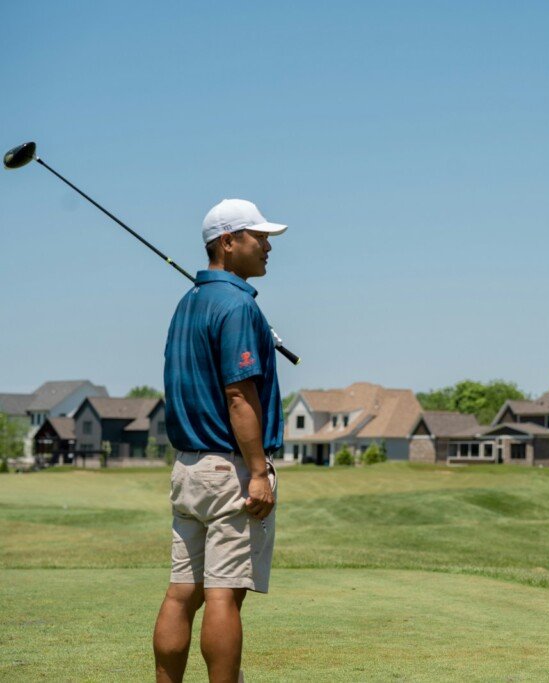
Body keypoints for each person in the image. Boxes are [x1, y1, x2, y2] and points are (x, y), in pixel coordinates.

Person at [153, 198, 287, 683]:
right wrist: (257, 472)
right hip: (228, 469)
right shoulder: (237, 305)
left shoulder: (188, 304)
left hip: (187, 468)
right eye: (258, 236)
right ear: (228, 244)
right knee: (224, 595)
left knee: (181, 592)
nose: (267, 246)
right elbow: (238, 396)